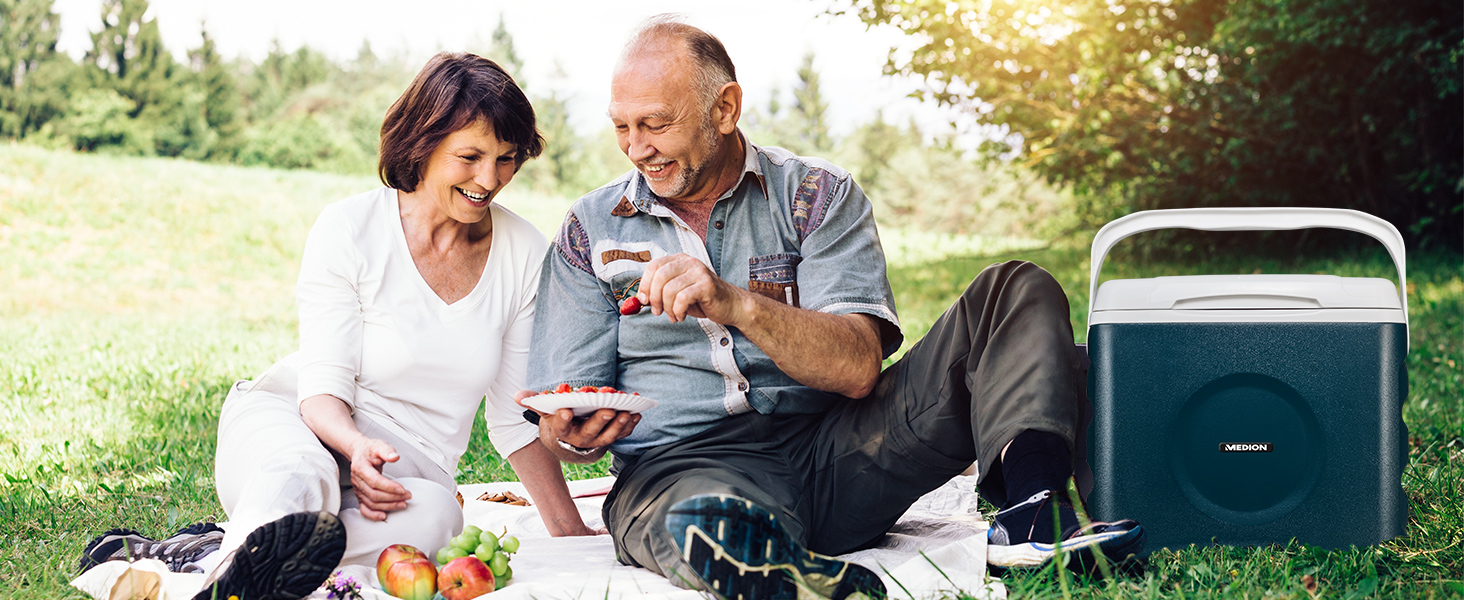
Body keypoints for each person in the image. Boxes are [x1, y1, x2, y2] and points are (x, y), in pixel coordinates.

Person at [519, 16, 1146, 600]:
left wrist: (734, 301)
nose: (635, 148)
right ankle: (793, 575)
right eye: (621, 127)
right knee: (698, 522)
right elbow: (567, 416)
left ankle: (1038, 512)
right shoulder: (588, 230)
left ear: (725, 108)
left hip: (846, 449)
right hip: (687, 469)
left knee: (1016, 287)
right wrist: (571, 437)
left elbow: (856, 369)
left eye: (655, 124)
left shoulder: (816, 194)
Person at [78, 52, 598, 600]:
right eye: (470, 156)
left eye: (507, 159)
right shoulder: (349, 228)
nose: (490, 179)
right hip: (294, 424)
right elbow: (321, 391)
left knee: (439, 517)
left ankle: (214, 552)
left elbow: (514, 419)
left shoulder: (522, 252)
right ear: (423, 144)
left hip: (402, 476)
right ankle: (231, 575)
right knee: (304, 474)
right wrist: (354, 448)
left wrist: (570, 533)